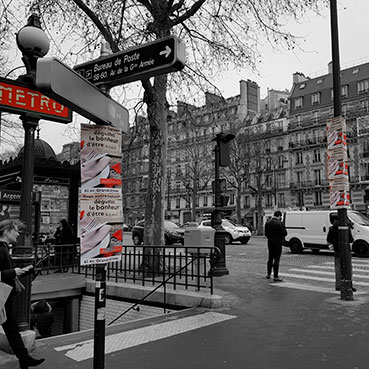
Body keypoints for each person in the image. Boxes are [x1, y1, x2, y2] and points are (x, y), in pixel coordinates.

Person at [0, 219, 45, 369]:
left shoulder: (4, 248)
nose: (18, 234)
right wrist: (14, 272)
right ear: (7, 231)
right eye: (16, 230)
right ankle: (24, 359)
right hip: (2, 297)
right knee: (12, 330)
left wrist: (22, 271)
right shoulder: (1, 249)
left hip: (5, 296)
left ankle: (24, 359)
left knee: (12, 330)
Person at [326, 215, 356, 292]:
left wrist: (333, 247)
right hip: (346, 251)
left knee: (338, 269)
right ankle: (349, 284)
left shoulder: (332, 229)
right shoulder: (346, 228)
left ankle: (338, 285)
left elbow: (329, 240)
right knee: (348, 269)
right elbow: (351, 240)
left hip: (337, 251)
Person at [264, 210, 287, 282]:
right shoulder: (280, 223)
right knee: (276, 259)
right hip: (278, 243)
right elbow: (284, 233)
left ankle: (268, 274)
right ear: (279, 216)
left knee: (270, 258)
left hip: (270, 242)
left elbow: (266, 233)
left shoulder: (267, 223)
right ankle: (275, 276)